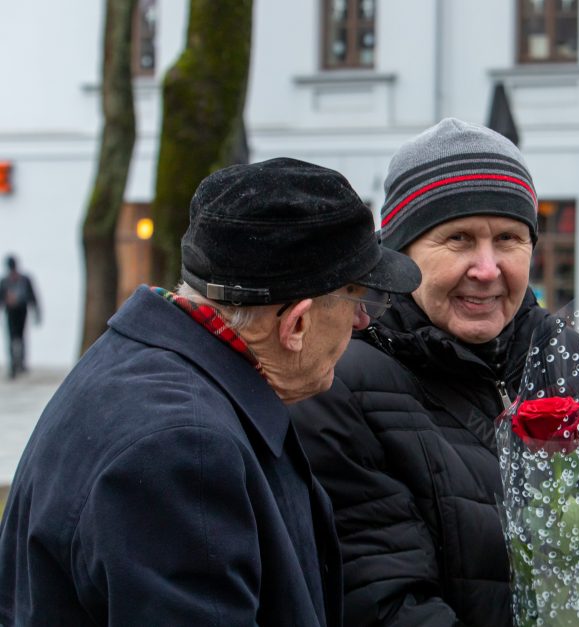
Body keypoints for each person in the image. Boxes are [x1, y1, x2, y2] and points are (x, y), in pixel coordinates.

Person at [0, 157, 421, 625]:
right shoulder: (186, 450)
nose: (363, 321)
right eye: (358, 299)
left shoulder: (139, 369)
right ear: (297, 323)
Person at [289, 118, 579, 626]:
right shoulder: (339, 381)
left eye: (510, 239)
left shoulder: (571, 363)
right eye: (459, 239)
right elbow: (383, 598)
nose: (488, 268)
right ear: (401, 254)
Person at [0, 255, 41, 379]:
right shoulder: (5, 281)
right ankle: (13, 365)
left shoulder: (24, 279)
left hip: (22, 311)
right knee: (12, 338)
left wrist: (36, 313)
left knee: (21, 337)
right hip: (10, 313)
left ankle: (21, 363)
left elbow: (32, 296)